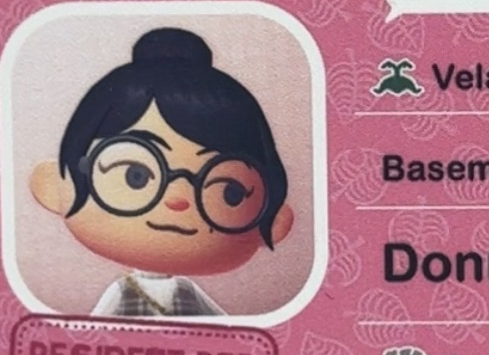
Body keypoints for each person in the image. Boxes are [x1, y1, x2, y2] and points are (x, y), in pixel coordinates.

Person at [29, 27, 293, 318]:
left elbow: (227, 326)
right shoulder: (123, 292)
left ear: (274, 219)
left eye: (229, 191)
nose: (178, 199)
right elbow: (96, 332)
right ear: (53, 185)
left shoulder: (186, 291)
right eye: (136, 176)